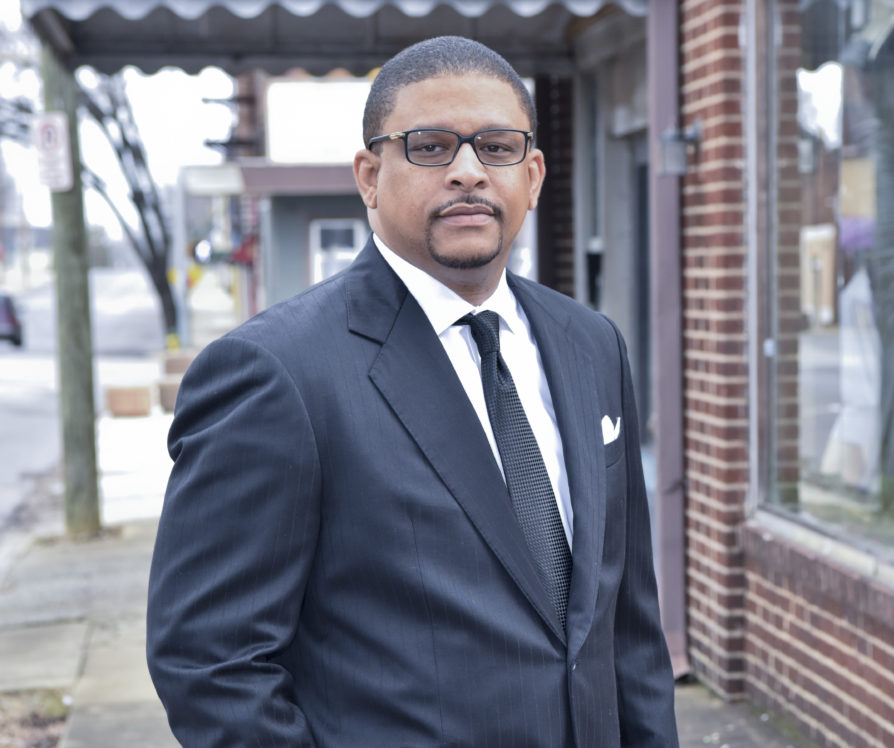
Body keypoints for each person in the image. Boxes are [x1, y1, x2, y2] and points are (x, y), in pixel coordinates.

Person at [146, 35, 679, 747]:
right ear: (369, 176)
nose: (467, 172)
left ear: (534, 174)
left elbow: (627, 630)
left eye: (497, 146)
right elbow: (211, 663)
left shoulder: (592, 346)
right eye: (430, 147)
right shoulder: (275, 374)